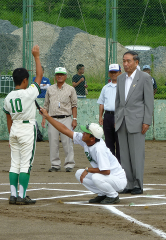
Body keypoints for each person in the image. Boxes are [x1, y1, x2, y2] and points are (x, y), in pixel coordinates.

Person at [39, 109, 127, 204]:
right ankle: (103, 194)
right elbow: (65, 130)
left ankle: (113, 195)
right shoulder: (87, 140)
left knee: (96, 177)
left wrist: (88, 169)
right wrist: (47, 117)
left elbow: (106, 171)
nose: (83, 134)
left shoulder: (99, 149)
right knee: (79, 173)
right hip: (108, 177)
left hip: (117, 180)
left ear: (92, 138)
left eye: (86, 133)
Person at [3, 45, 42, 205]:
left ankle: (13, 195)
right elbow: (39, 75)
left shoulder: (8, 97)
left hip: (14, 129)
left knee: (15, 164)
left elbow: (8, 117)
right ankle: (22, 196)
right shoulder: (29, 92)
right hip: (27, 129)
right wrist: (36, 56)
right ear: (25, 80)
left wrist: (10, 135)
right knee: (26, 164)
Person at [115, 51, 154, 195]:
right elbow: (118, 102)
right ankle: (128, 184)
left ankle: (138, 184)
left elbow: (149, 102)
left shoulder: (144, 78)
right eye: (124, 61)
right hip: (122, 121)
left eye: (128, 61)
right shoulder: (120, 79)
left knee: (137, 154)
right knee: (124, 155)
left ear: (136, 62)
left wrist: (147, 121)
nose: (125, 64)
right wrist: (116, 119)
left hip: (137, 121)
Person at [41, 67, 78, 172]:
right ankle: (55, 165)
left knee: (67, 142)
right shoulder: (50, 89)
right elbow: (46, 105)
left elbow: (74, 105)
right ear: (55, 76)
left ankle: (69, 164)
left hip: (66, 118)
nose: (59, 76)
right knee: (53, 142)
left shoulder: (71, 89)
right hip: (52, 119)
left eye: (62, 74)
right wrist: (44, 118)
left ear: (66, 76)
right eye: (58, 74)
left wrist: (74, 119)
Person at [97, 64, 121, 162]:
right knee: (108, 141)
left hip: (119, 116)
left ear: (120, 73)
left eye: (115, 72)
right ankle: (110, 163)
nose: (113, 74)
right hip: (108, 116)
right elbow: (101, 103)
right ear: (109, 74)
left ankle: (119, 164)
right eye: (111, 72)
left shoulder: (123, 87)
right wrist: (100, 117)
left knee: (119, 141)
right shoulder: (105, 88)